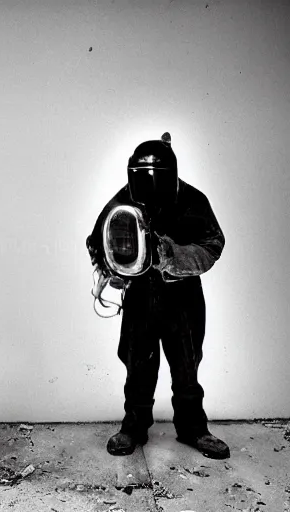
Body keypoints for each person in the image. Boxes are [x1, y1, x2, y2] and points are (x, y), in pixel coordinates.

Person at [86, 133, 230, 460]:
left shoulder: (194, 200)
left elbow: (212, 245)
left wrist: (169, 254)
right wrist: (112, 263)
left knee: (186, 366)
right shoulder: (125, 199)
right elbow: (99, 237)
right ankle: (134, 427)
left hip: (183, 298)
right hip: (140, 297)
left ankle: (194, 428)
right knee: (138, 364)